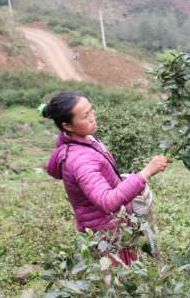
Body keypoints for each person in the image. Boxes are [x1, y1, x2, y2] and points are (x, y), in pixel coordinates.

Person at [41, 92, 170, 265]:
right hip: (107, 236)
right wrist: (145, 173)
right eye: (86, 116)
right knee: (119, 282)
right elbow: (106, 201)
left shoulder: (84, 136)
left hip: (115, 226)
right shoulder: (80, 160)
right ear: (68, 126)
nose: (93, 118)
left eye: (91, 111)